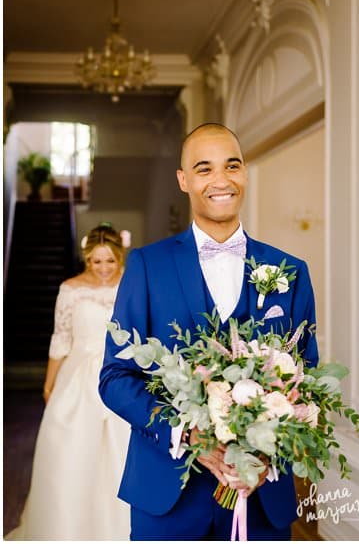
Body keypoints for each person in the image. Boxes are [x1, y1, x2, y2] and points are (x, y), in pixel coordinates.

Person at [99, 124, 318, 541]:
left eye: (231, 166)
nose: (221, 180)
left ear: (245, 173)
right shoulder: (147, 266)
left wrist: (265, 455)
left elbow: (306, 377)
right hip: (166, 494)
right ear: (183, 180)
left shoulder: (291, 271)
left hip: (260, 496)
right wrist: (186, 432)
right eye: (204, 169)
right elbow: (114, 378)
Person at [9, 225, 131, 541]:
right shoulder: (71, 289)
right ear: (87, 260)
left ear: (120, 258)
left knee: (121, 455)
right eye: (96, 262)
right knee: (72, 455)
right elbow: (61, 339)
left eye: (110, 262)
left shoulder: (133, 286)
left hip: (120, 376)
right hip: (77, 383)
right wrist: (49, 386)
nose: (103, 269)